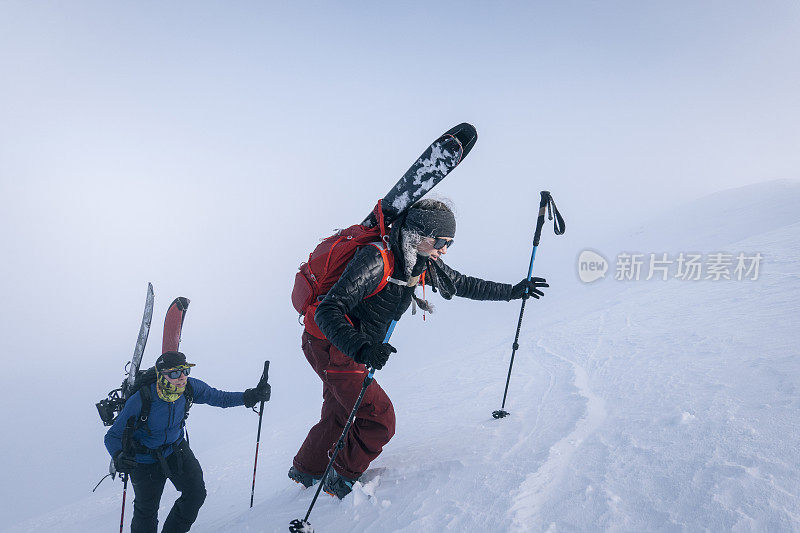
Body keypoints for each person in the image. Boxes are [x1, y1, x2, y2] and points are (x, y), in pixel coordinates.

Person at [289, 198, 548, 498]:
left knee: (341, 409)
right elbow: (328, 310)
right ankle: (341, 481)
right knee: (379, 418)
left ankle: (307, 470)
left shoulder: (419, 261)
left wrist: (512, 292)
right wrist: (363, 349)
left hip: (339, 345)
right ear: (420, 235)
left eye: (449, 243)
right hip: (333, 346)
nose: (445, 249)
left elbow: (461, 284)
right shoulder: (376, 260)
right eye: (441, 241)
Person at [104, 351, 270, 533]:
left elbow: (219, 397)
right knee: (147, 511)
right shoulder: (141, 399)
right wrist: (119, 455)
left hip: (176, 450)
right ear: (161, 375)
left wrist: (252, 396)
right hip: (144, 460)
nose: (182, 378)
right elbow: (112, 436)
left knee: (196, 494)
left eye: (185, 371)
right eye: (174, 373)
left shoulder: (190, 388)